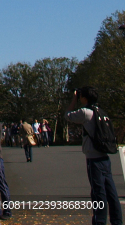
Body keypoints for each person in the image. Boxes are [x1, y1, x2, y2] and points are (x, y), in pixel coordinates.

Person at [66, 87, 123, 225]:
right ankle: (117, 221)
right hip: (105, 156)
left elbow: (68, 115)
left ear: (84, 98)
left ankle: (100, 221)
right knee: (111, 192)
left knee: (98, 194)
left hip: (93, 158)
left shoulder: (86, 112)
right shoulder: (101, 112)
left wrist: (74, 98)